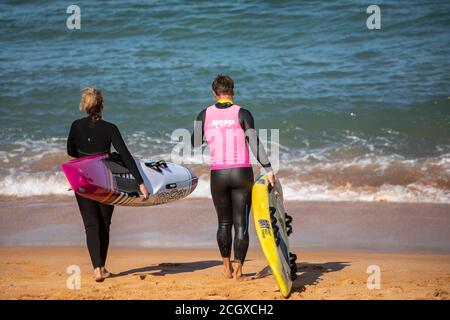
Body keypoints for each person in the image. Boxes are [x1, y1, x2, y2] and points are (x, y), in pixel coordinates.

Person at [191, 75, 275, 280]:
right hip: (241, 174)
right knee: (241, 225)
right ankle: (239, 272)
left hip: (218, 174)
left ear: (214, 93)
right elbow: (254, 143)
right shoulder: (242, 113)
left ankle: (226, 268)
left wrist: (209, 131)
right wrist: (268, 168)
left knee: (223, 224)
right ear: (233, 91)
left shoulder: (204, 114)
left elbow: (194, 142)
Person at [67, 87, 149, 282]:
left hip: (83, 179)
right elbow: (126, 156)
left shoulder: (76, 126)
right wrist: (140, 182)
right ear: (101, 105)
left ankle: (97, 269)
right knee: (104, 223)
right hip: (105, 180)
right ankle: (102, 268)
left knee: (90, 225)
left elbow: (71, 151)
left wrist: (85, 156)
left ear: (84, 105)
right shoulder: (110, 128)